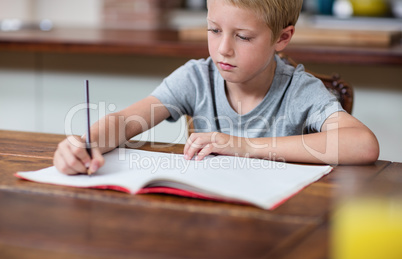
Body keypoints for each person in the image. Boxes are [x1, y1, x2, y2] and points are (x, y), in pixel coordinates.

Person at [54, 0, 379, 175]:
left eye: (243, 36)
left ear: (282, 38)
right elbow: (125, 122)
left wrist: (243, 146)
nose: (223, 49)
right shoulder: (197, 77)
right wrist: (85, 144)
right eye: (213, 30)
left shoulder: (299, 90)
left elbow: (362, 145)